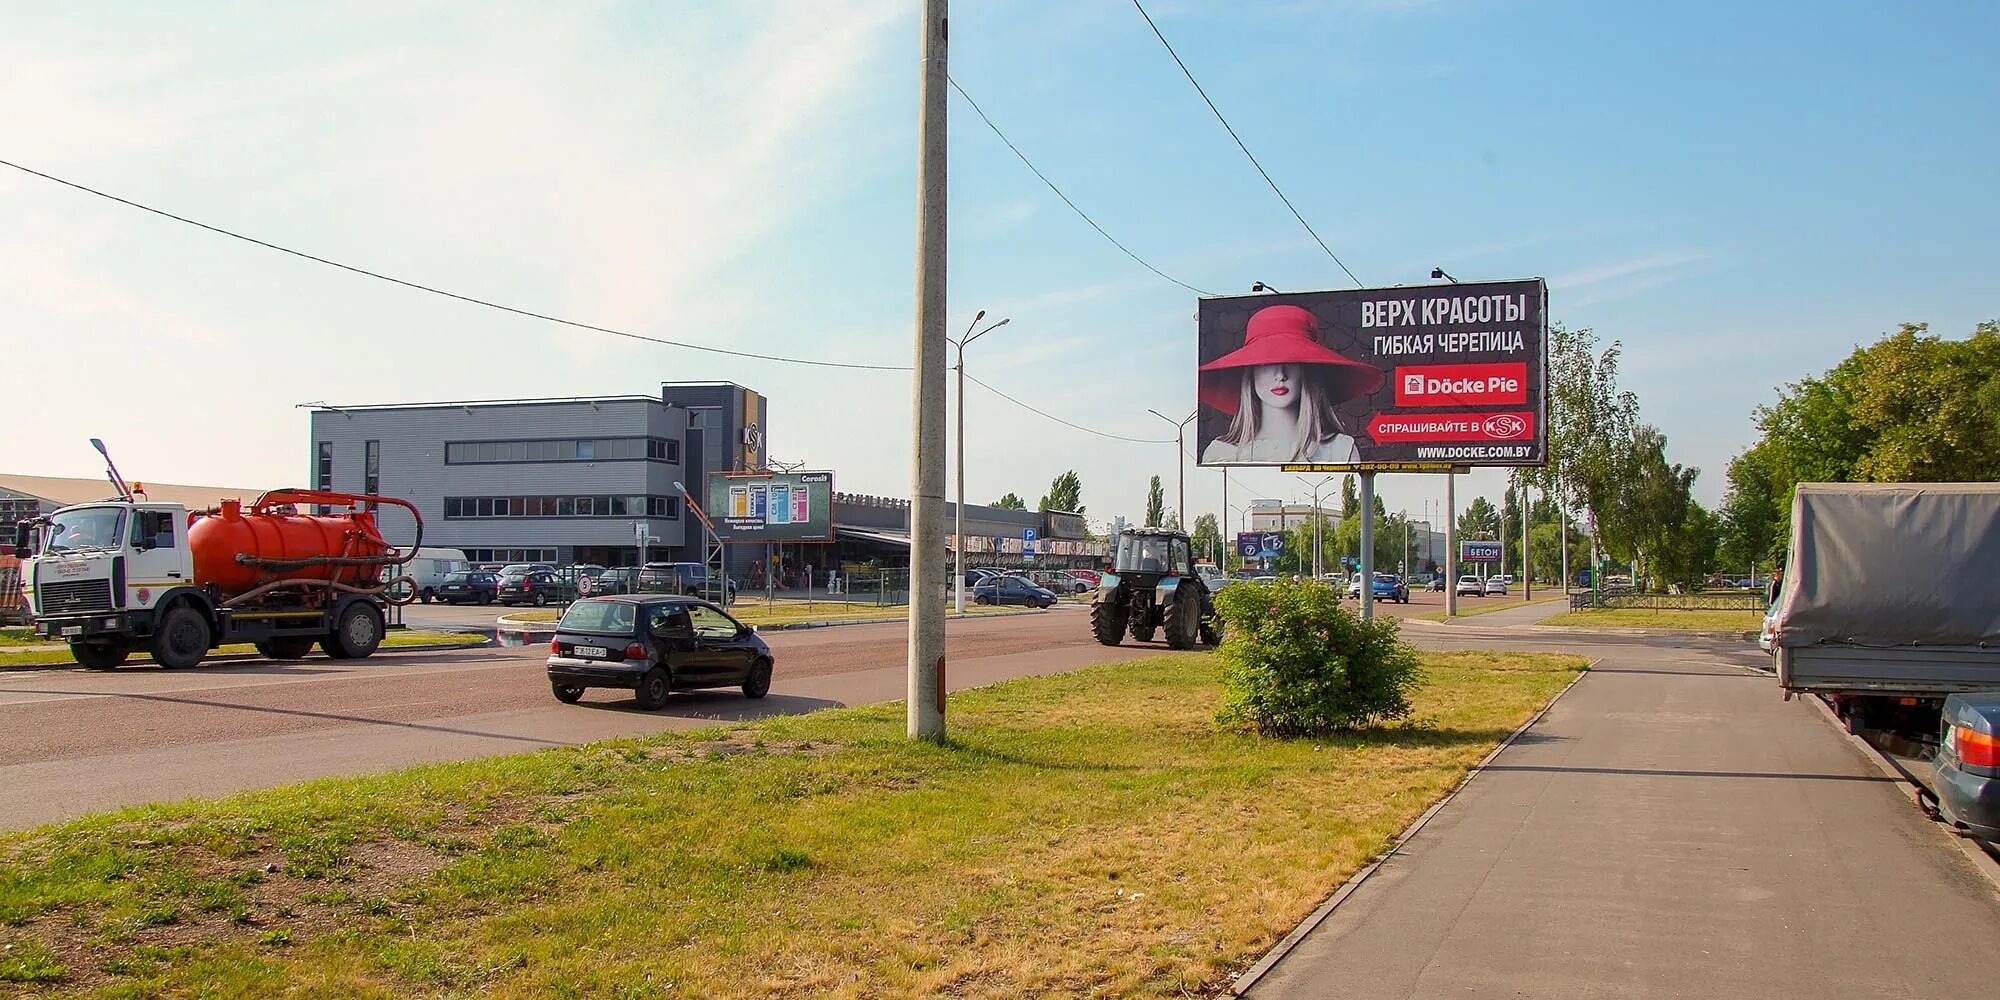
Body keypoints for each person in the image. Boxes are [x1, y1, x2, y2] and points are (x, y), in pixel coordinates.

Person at [1199, 305, 1382, 464]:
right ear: (1251, 371)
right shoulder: (1221, 452)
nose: (1280, 375)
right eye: (1267, 363)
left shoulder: (1341, 449)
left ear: (1307, 372)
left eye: (1292, 362)